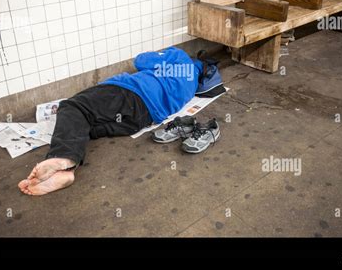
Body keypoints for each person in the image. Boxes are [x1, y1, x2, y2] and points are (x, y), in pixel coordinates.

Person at [18, 47, 204, 196]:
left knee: (73, 107)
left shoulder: (180, 56)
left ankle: (63, 159)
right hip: (141, 120)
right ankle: (65, 172)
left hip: (130, 94)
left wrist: (160, 56)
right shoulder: (192, 84)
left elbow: (140, 60)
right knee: (83, 127)